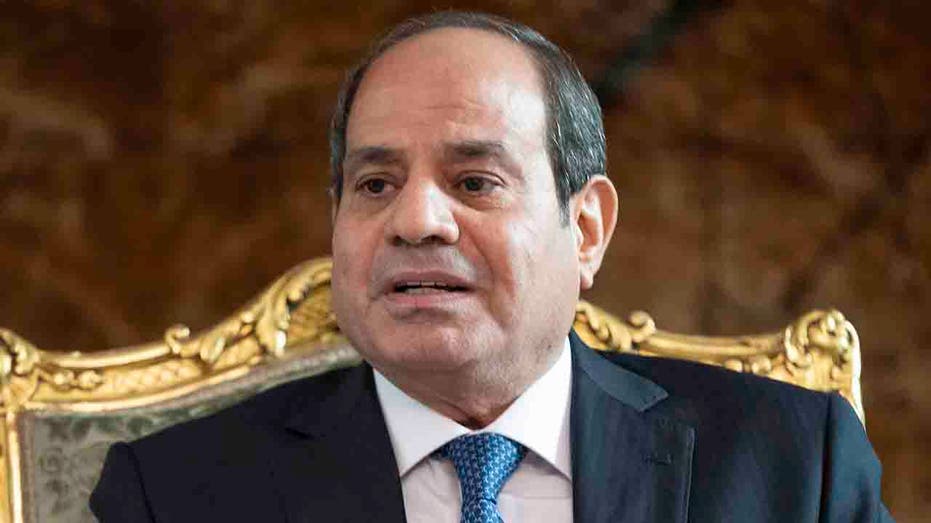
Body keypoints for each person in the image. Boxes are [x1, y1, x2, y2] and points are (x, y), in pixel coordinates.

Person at [90, 11, 893, 522]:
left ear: (585, 229)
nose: (415, 221)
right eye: (375, 184)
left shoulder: (792, 463)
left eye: (474, 181)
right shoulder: (176, 492)